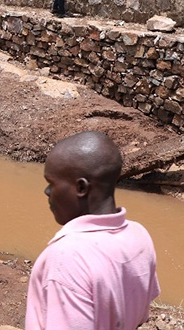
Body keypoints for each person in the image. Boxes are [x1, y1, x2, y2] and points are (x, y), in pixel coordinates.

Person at [25, 131, 160, 329]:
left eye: (51, 184)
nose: (47, 192)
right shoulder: (139, 236)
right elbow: (140, 317)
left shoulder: (67, 258)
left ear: (81, 188)